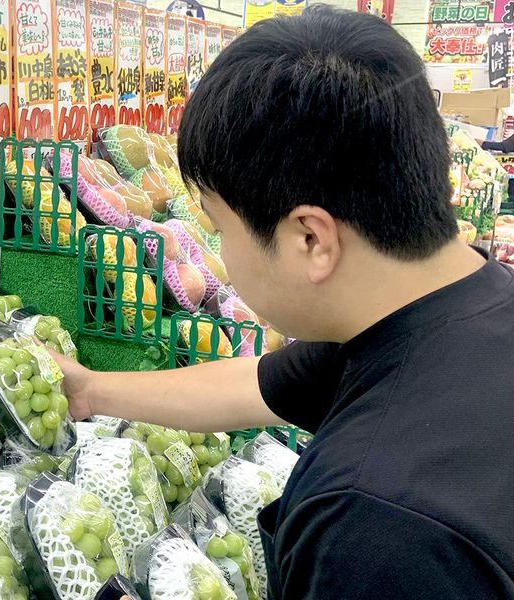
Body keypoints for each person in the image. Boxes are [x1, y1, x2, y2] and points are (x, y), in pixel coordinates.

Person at [55, 6, 514, 600]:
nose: (219, 249)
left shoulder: (371, 526)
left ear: (310, 239)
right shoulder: (461, 304)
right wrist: (91, 390)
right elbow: (263, 383)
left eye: (219, 226)